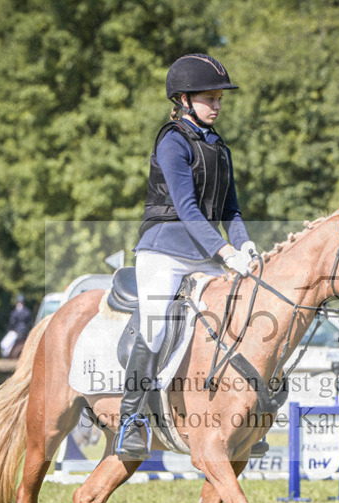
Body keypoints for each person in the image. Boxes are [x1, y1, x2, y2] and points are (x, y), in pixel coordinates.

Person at [116, 54, 258, 457]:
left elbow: (230, 210)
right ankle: (132, 421)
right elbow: (187, 208)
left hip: (206, 253)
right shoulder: (172, 141)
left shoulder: (220, 147)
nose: (216, 105)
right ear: (183, 99)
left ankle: (242, 417)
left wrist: (244, 246)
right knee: (156, 327)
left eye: (219, 98)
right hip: (164, 251)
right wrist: (226, 252)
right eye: (208, 98)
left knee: (240, 313)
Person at [3, 294, 33, 359]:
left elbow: (12, 324)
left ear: (17, 302)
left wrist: (10, 329)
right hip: (26, 333)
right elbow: (30, 324)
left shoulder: (14, 313)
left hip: (16, 332)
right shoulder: (27, 312)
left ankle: (5, 356)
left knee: (4, 345)